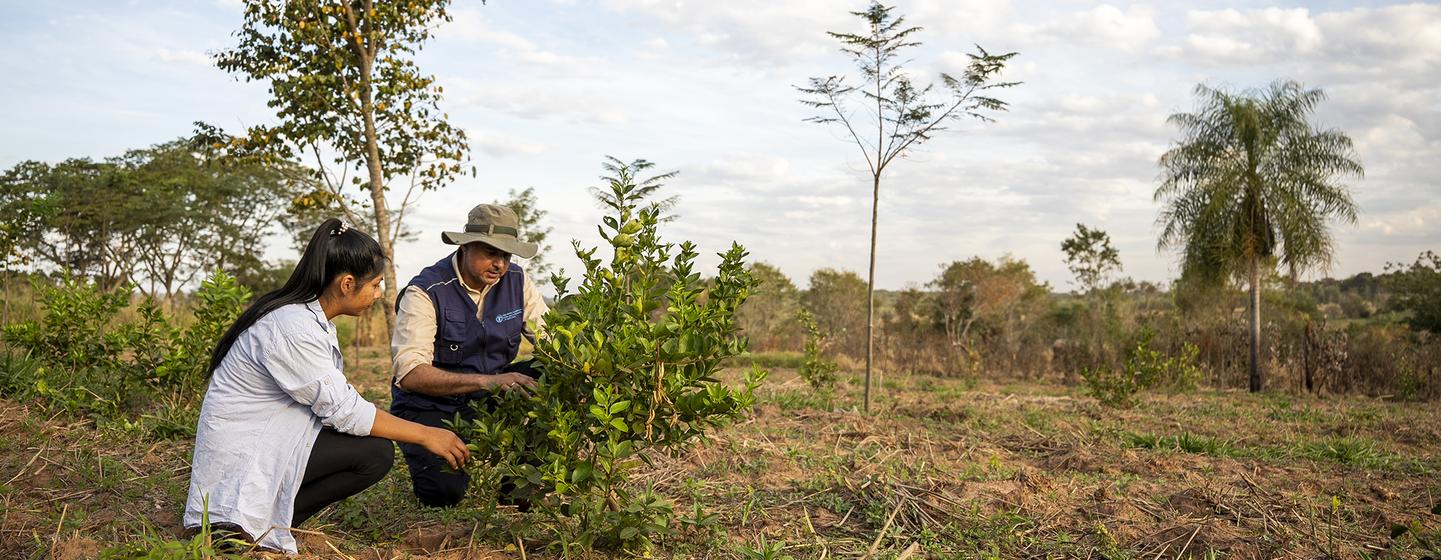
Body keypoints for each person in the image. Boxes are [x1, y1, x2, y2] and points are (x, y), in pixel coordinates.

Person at [184, 219, 471, 553]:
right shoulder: (294, 329)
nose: (379, 295)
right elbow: (344, 411)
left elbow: (337, 402)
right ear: (347, 283)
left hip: (277, 439)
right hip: (249, 453)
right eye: (375, 285)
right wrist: (426, 434)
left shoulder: (308, 319)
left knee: (373, 452)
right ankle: (233, 525)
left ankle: (267, 521)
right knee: (373, 453)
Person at [390, 203, 549, 507]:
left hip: (489, 398)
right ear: (465, 247)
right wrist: (488, 381)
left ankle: (519, 487)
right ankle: (442, 459)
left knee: (554, 373)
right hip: (430, 406)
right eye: (490, 252)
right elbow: (410, 375)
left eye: (506, 255)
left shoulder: (517, 281)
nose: (499, 264)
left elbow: (552, 341)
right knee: (443, 493)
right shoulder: (426, 291)